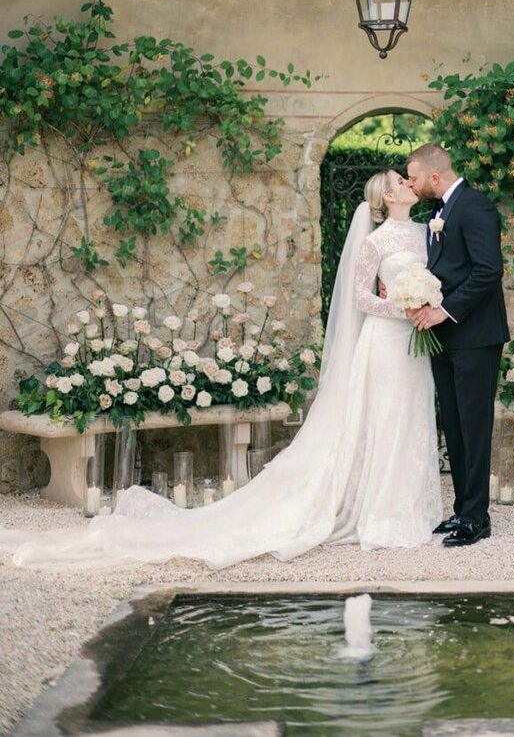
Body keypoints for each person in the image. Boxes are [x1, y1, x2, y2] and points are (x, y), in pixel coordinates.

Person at [0, 171, 442, 569]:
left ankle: (409, 508)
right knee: (383, 419)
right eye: (400, 180)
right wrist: (402, 307)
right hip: (385, 341)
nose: (408, 182)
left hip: (415, 348)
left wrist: (428, 303)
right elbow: (361, 299)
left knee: (410, 417)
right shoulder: (375, 242)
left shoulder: (426, 231)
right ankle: (379, 515)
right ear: (386, 195)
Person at [405, 144, 509, 548]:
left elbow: (488, 271)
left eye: (413, 177)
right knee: (455, 425)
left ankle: (477, 518)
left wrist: (443, 311)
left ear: (434, 177)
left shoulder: (475, 206)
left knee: (474, 426)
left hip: (476, 337)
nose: (410, 184)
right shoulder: (438, 212)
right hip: (446, 337)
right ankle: (462, 510)